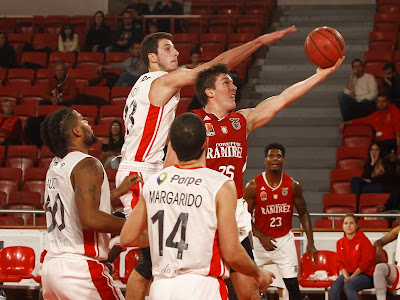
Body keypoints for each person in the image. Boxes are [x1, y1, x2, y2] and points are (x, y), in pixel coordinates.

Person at [115, 27, 298, 300]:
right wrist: (257, 41)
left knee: (157, 256)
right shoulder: (161, 81)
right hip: (143, 172)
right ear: (152, 57)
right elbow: (212, 68)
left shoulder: (141, 84)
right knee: (151, 259)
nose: (176, 52)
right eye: (167, 48)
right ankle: (113, 237)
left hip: (143, 168)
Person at [162, 57, 342, 299]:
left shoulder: (242, 120)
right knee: (202, 288)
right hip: (201, 210)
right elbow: (169, 172)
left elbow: (283, 98)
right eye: (226, 83)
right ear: (209, 92)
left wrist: (319, 75)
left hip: (234, 212)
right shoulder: (191, 123)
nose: (234, 87)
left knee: (249, 293)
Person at [120, 113, 275, 300]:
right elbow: (232, 252)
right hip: (202, 286)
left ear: (172, 146)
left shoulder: (154, 182)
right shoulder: (220, 184)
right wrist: (257, 272)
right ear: (206, 143)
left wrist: (162, 237)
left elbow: (127, 237)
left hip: (161, 287)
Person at [39, 107, 142, 299]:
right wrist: (137, 225)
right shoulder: (87, 163)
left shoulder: (56, 165)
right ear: (76, 131)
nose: (87, 124)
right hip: (79, 269)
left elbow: (74, 206)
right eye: (82, 121)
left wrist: (118, 192)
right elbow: (90, 219)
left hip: (53, 266)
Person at [243, 143, 317, 300]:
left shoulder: (293, 185)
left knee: (292, 287)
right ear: (266, 160)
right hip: (259, 242)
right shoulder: (253, 186)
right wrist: (261, 236)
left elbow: (303, 213)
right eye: (271, 156)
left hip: (284, 240)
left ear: (284, 160)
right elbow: (244, 217)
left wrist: (311, 242)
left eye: (278, 156)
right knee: (246, 282)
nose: (275, 159)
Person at [328, 214, 376, 300]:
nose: (348, 225)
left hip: (366, 275)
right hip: (348, 274)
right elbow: (339, 262)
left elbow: (366, 262)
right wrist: (347, 276)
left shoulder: (364, 240)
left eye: (351, 223)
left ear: (356, 226)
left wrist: (351, 277)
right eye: (346, 223)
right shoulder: (340, 242)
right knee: (334, 287)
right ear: (342, 226)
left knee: (349, 285)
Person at [373, 224, 400, 299]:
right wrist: (379, 248)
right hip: (399, 270)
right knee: (380, 268)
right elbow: (379, 242)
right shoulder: (398, 229)